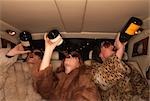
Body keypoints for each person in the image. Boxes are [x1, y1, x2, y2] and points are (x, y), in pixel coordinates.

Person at [33, 33, 101, 101]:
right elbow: (43, 88)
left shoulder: (84, 74)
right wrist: (49, 50)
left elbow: (88, 95)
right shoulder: (57, 77)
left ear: (79, 63)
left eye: (74, 56)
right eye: (68, 56)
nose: (69, 56)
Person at [91, 33, 149, 101]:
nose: (112, 46)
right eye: (106, 45)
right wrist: (120, 50)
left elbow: (142, 86)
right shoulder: (93, 68)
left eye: (112, 43)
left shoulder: (128, 66)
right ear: (100, 54)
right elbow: (101, 80)